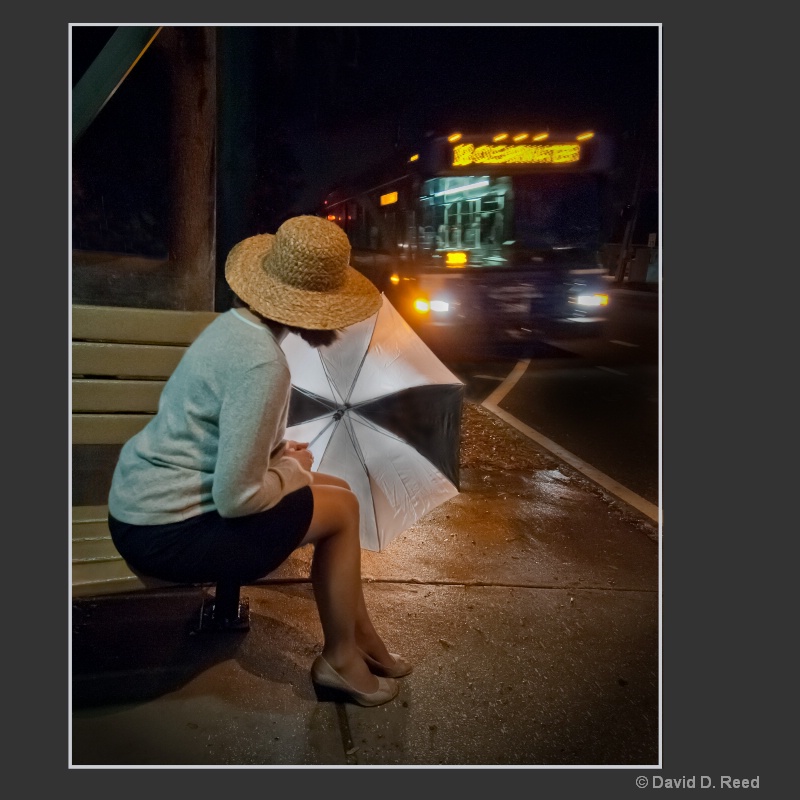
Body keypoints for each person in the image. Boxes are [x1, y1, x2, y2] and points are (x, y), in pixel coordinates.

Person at [107, 215, 412, 707]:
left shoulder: (232, 329)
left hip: (148, 505)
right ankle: (342, 658)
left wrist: (276, 456)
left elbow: (215, 437)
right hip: (165, 531)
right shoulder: (262, 364)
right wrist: (290, 470)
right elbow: (237, 498)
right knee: (341, 513)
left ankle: (362, 642)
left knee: (341, 493)